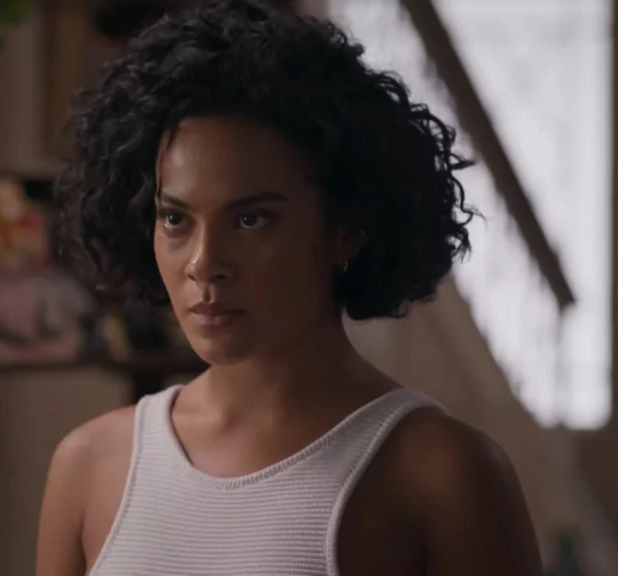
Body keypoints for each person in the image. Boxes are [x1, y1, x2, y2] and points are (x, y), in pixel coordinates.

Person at [39, 1, 542, 575]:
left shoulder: (443, 474)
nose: (204, 263)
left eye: (251, 220)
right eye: (176, 219)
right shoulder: (89, 464)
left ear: (346, 230)